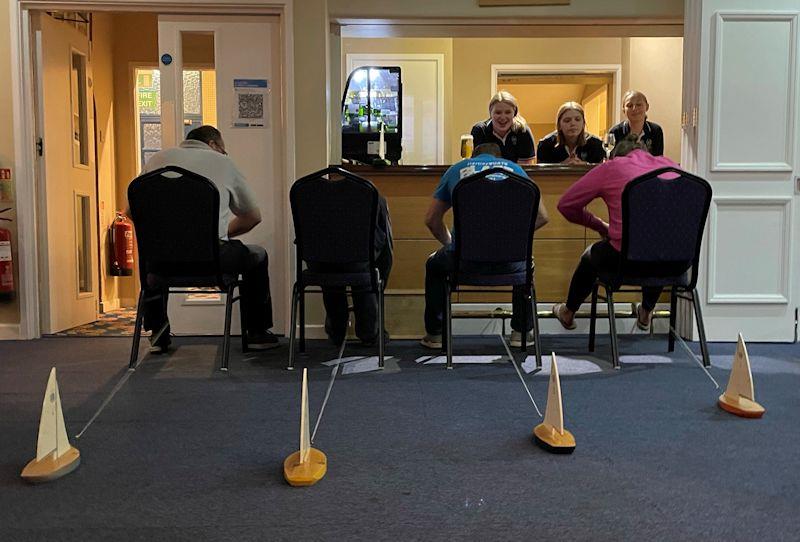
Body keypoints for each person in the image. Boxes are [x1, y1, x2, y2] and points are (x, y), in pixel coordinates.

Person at [132, 125, 279, 353]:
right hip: (212, 261)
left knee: (155, 252)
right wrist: (216, 236)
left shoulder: (157, 160)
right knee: (257, 255)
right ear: (213, 145)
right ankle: (257, 333)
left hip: (160, 265)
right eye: (223, 150)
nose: (223, 154)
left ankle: (158, 331)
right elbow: (252, 217)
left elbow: (131, 211)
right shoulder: (223, 163)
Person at [420, 143, 549, 349]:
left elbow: (431, 220)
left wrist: (452, 244)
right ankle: (521, 333)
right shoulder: (516, 170)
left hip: (464, 262)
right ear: (501, 157)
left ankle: (435, 334)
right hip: (510, 262)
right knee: (527, 264)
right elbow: (543, 216)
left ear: (472, 156)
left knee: (434, 264)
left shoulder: (457, 169)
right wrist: (514, 239)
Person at [552, 133, 680, 331]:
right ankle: (646, 311)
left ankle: (568, 312)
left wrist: (601, 227)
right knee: (658, 245)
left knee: (590, 256)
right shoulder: (672, 166)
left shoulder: (612, 167)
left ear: (616, 156)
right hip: (676, 262)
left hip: (625, 262)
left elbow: (566, 205)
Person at [309, 195, 393, 347]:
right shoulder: (374, 196)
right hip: (361, 263)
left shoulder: (309, 194)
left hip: (322, 264)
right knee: (367, 272)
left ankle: (336, 329)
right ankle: (370, 332)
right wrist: (379, 278)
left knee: (331, 267)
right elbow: (385, 248)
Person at [470, 91, 536, 164]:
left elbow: (525, 168)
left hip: (514, 174)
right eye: (498, 112)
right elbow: (475, 165)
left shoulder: (523, 131)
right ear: (490, 113)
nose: (503, 117)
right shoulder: (480, 130)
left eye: (508, 112)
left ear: (514, 113)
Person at [536, 102, 605, 165]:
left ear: (583, 123)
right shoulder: (545, 145)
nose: (573, 123)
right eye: (567, 120)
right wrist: (561, 166)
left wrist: (585, 165)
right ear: (559, 125)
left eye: (577, 119)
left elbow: (600, 172)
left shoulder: (596, 144)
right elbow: (541, 175)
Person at [608, 90, 664, 156]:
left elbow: (658, 159)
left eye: (639, 105)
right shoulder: (615, 132)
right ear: (623, 110)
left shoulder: (656, 130)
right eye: (630, 105)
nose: (634, 108)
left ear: (647, 107)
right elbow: (611, 159)